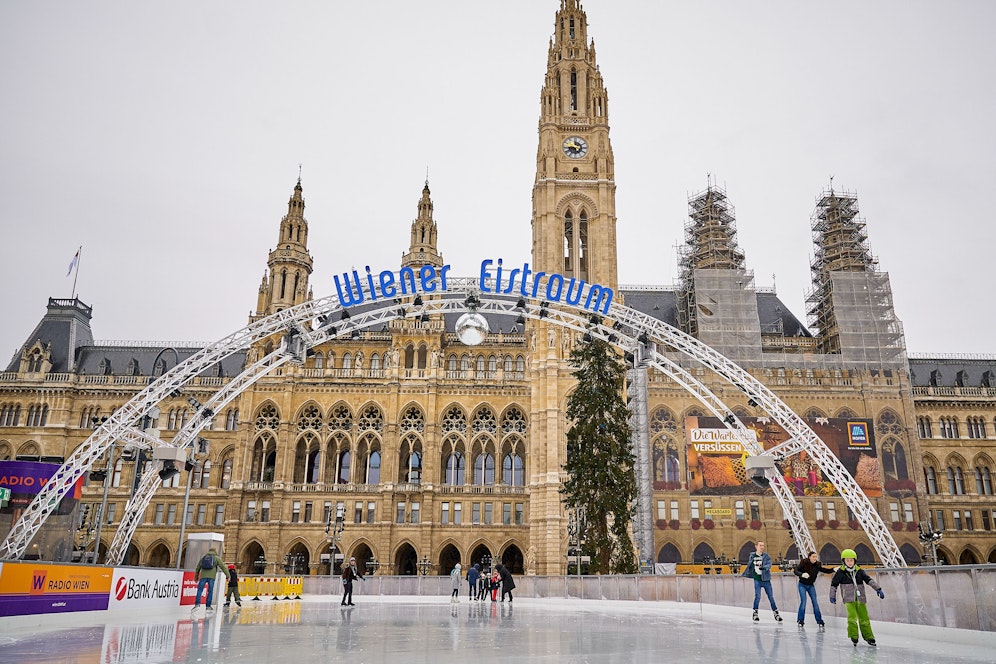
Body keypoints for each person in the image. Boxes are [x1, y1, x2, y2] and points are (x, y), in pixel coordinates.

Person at [830, 548, 885, 646]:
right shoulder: (840, 572)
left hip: (861, 598)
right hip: (848, 599)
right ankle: (854, 636)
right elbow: (834, 584)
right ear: (844, 561)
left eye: (851, 560)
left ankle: (869, 637)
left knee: (864, 618)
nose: (850, 562)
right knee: (852, 618)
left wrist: (878, 588)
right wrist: (832, 596)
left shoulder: (859, 571)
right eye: (848, 560)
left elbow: (869, 580)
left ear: (854, 561)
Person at [741, 540, 782, 622]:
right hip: (757, 580)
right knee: (758, 596)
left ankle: (776, 613)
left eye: (763, 545)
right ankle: (755, 613)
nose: (762, 547)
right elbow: (750, 565)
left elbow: (769, 564)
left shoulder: (766, 556)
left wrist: (764, 568)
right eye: (760, 545)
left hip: (766, 579)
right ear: (756, 546)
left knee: (771, 597)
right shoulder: (752, 556)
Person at [794, 551, 833, 627]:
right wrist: (802, 574)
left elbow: (825, 570)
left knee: (815, 603)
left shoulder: (817, 565)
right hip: (802, 585)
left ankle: (819, 621)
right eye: (813, 557)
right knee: (803, 602)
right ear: (809, 557)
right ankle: (800, 620)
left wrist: (833, 569)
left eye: (816, 557)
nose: (815, 558)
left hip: (811, 586)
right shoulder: (804, 563)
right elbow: (795, 571)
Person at [193, 547, 230, 613]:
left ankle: (197, 604)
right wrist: (228, 576)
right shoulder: (216, 558)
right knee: (210, 591)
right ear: (215, 551)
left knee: (200, 590)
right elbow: (223, 567)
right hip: (211, 577)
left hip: (203, 576)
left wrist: (196, 577)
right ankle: (208, 606)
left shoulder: (203, 557)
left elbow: (198, 567)